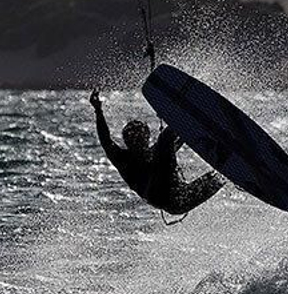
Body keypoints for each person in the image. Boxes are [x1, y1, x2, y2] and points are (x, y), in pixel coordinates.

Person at [91, 89, 225, 216]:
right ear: (128, 141)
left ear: (147, 138)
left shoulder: (155, 152)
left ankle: (228, 162)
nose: (139, 141)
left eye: (141, 137)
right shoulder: (122, 159)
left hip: (184, 197)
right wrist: (98, 110)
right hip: (175, 202)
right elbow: (105, 139)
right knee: (165, 140)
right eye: (135, 138)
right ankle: (184, 115)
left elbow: (179, 139)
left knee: (218, 177)